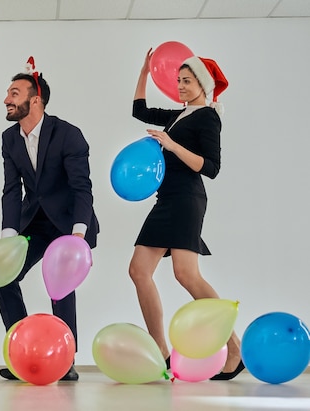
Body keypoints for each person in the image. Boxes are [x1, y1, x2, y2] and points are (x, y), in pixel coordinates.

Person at [128, 49, 244, 380]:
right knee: (138, 271)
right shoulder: (177, 115)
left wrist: (172, 145)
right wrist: (144, 72)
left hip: (187, 199)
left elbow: (211, 168)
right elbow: (139, 110)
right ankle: (160, 352)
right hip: (166, 199)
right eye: (178, 80)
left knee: (186, 275)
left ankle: (234, 347)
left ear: (202, 84)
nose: (180, 86)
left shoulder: (207, 116)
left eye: (187, 80)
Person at [0, 58, 99, 381]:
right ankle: (23, 351)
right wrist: (9, 234)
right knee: (3, 277)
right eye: (8, 93)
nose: (6, 99)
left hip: (69, 224)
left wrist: (77, 235)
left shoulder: (68, 135)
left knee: (60, 285)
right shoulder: (10, 138)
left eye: (14, 93)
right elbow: (11, 190)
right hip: (34, 222)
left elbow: (82, 188)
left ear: (35, 100)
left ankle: (64, 360)